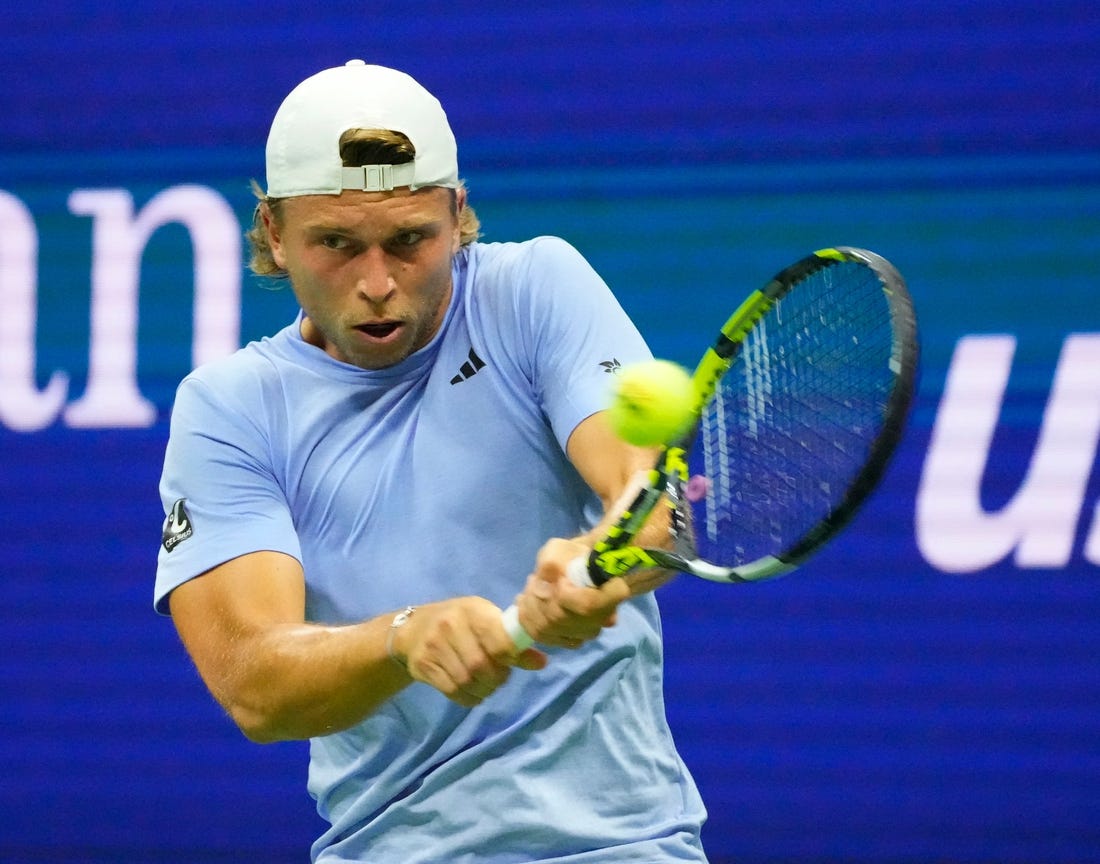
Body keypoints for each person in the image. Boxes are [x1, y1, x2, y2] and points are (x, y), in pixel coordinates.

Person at [155, 59, 708, 863]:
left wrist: (598, 565)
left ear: (457, 213)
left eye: (410, 240)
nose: (377, 283)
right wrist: (402, 639)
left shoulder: (533, 290)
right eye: (336, 244)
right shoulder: (230, 408)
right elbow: (254, 683)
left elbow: (655, 503)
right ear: (274, 231)